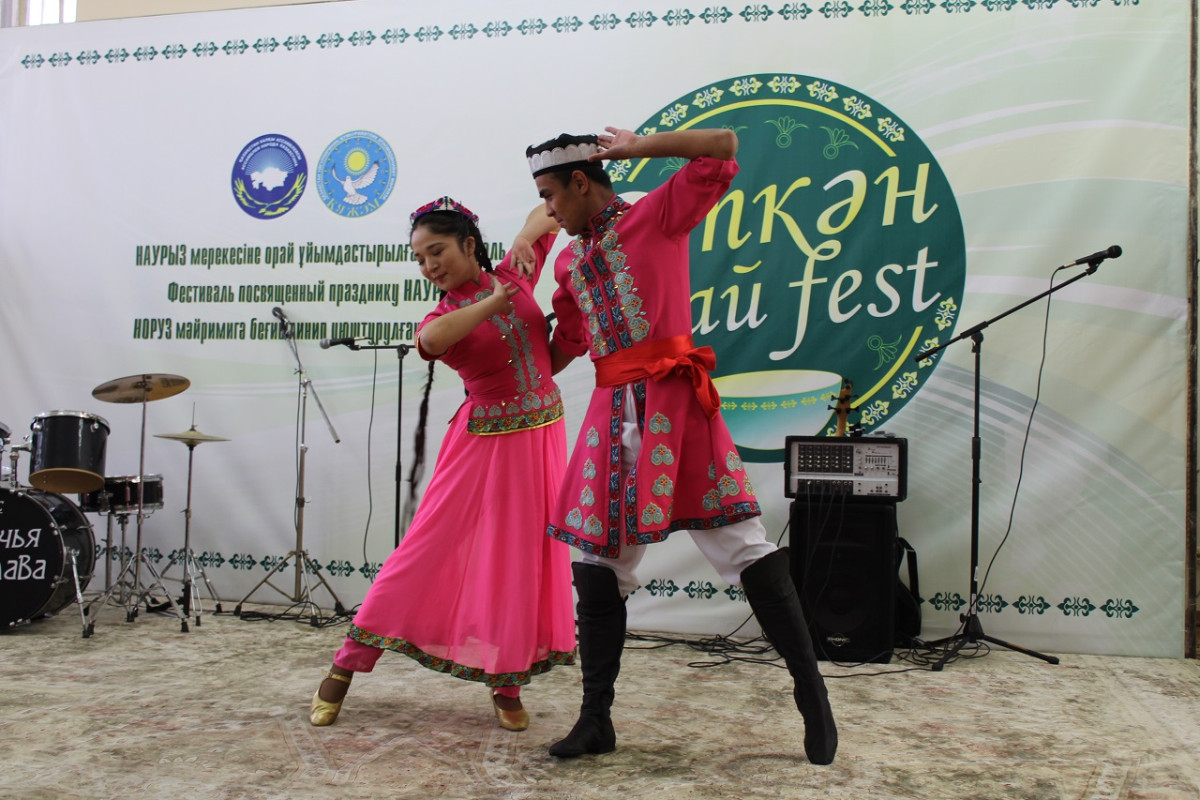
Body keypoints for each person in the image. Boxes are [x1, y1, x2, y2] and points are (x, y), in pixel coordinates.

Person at [526, 128, 837, 763]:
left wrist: (638, 147)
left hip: (675, 407)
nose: (548, 210)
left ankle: (813, 696)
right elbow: (565, 345)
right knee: (597, 566)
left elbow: (722, 148)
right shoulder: (568, 263)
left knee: (744, 547)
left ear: (581, 182)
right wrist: (501, 330)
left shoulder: (656, 215)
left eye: (550, 195)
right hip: (611, 420)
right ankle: (595, 719)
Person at [309, 197, 576, 732]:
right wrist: (492, 303)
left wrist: (525, 236)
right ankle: (345, 665)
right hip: (482, 445)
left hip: (542, 435)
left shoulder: (513, 273)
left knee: (521, 558)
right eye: (420, 258)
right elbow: (430, 342)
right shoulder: (443, 315)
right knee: (424, 550)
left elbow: (551, 211)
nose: (429, 265)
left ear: (469, 245)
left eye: (437, 252)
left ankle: (506, 681)